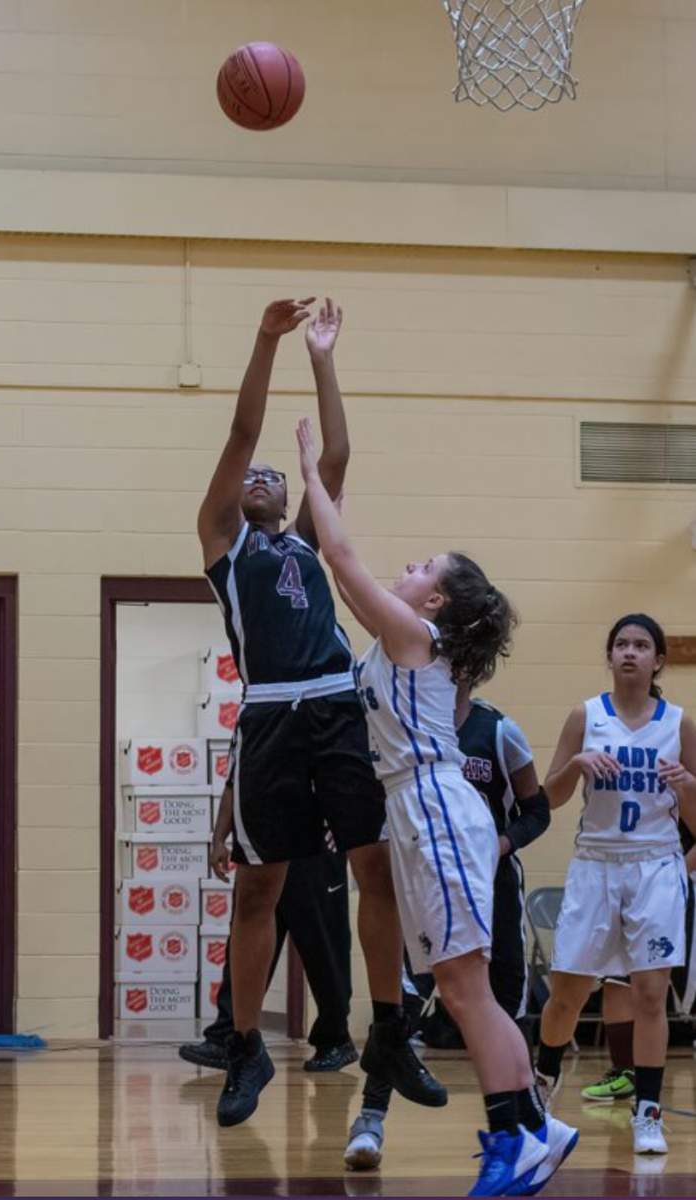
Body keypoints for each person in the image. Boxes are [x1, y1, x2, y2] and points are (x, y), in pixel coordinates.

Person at [295, 416, 577, 1197]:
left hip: (433, 806)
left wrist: (309, 468)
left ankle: (510, 1140)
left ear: (437, 596)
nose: (406, 567)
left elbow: (343, 558)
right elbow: (332, 555)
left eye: (421, 565)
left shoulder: (415, 635)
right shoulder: (400, 640)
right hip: (420, 810)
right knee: (468, 986)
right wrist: (326, 472)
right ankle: (532, 1129)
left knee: (462, 989)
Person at [198, 298, 443, 1128]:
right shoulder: (224, 540)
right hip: (270, 718)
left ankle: (390, 1029)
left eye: (274, 472)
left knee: (374, 869)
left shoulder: (304, 535)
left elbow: (335, 453)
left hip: (338, 707)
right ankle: (244, 1044)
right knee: (257, 890)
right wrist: (263, 341)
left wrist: (323, 357)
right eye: (255, 474)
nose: (263, 474)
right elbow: (238, 435)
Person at [345, 684, 551, 1170]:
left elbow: (536, 810)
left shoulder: (498, 729)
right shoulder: (401, 727)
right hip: (422, 880)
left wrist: (499, 844)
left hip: (492, 884)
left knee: (504, 1005)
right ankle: (370, 1119)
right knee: (401, 1000)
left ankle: (526, 1125)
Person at [534, 614, 696, 1155]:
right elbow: (549, 799)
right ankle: (543, 1084)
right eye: (621, 644)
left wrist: (689, 786)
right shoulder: (586, 715)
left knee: (650, 994)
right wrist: (575, 763)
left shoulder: (680, 724)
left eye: (641, 644)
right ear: (610, 657)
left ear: (657, 661)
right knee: (568, 994)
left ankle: (647, 1113)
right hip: (596, 863)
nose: (629, 652)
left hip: (655, 865)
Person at [179, 784, 358, 1073]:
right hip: (264, 845)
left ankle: (335, 1039)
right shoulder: (248, 739)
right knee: (245, 946)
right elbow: (233, 785)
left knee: (325, 947)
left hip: (316, 850)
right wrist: (218, 840)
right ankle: (228, 1036)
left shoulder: (323, 737)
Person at [580, 819, 696, 1103]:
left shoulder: (680, 779)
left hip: (675, 886)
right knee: (616, 980)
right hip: (628, 883)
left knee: (671, 988)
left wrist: (675, 871)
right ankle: (625, 1072)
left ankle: (647, 1098)